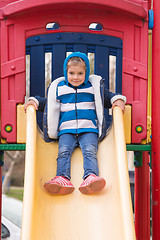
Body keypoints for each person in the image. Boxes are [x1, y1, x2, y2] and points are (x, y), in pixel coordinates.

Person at [24, 52, 126, 195]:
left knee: (90, 151)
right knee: (63, 152)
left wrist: (118, 100)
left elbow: (108, 97)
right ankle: (62, 177)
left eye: (80, 73)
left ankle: (90, 176)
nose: (75, 77)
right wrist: (34, 101)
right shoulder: (60, 88)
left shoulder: (93, 88)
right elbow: (48, 103)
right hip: (66, 130)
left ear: (86, 73)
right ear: (66, 73)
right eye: (71, 73)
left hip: (88, 129)